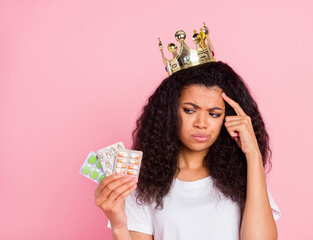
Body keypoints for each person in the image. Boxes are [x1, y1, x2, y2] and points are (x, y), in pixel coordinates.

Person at [94, 25, 281, 240]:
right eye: (190, 110)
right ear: (170, 111)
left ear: (228, 118)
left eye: (214, 114)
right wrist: (119, 224)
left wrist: (253, 155)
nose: (202, 123)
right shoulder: (143, 183)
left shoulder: (244, 175)